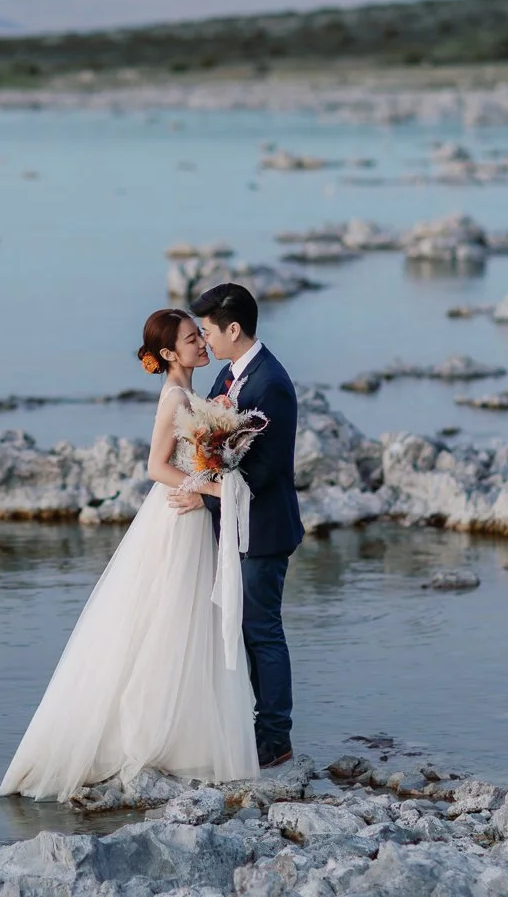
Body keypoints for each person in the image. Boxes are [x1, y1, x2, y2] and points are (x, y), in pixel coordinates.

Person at [0, 308, 259, 802]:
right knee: (169, 621)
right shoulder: (175, 397)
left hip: (190, 516)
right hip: (177, 519)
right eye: (191, 339)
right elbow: (156, 467)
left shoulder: (191, 393)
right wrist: (215, 489)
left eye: (200, 335)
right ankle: (148, 736)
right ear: (168, 353)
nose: (202, 343)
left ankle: (183, 735)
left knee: (183, 623)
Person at [170, 282, 303, 769]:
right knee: (243, 630)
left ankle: (275, 737)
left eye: (207, 331)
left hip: (262, 528)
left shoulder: (270, 383)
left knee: (261, 631)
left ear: (233, 329)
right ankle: (249, 725)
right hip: (235, 525)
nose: (204, 340)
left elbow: (262, 471)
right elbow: (209, 439)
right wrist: (203, 474)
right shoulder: (231, 374)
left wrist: (203, 490)